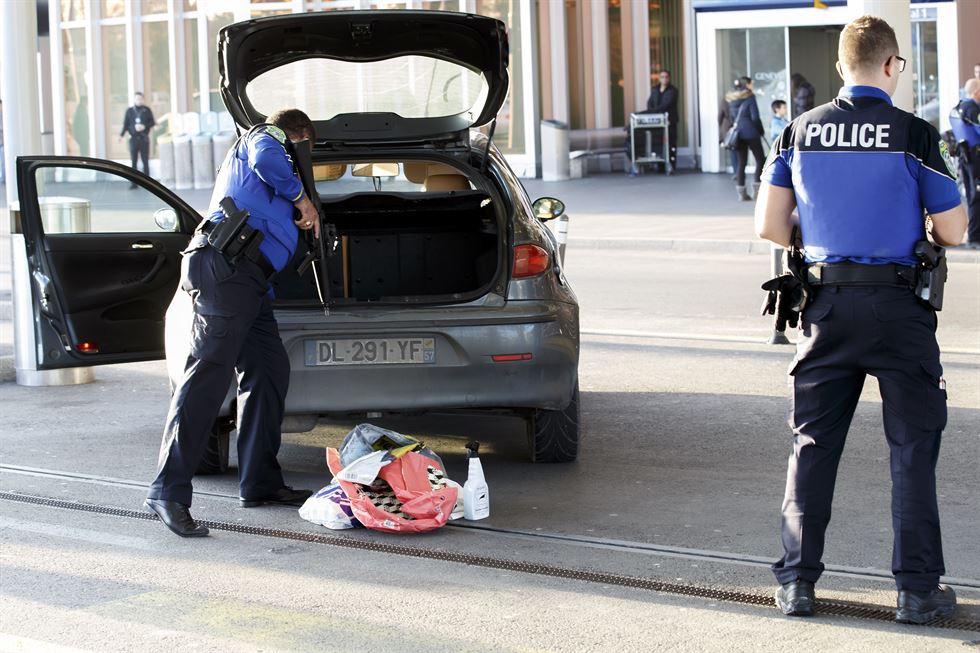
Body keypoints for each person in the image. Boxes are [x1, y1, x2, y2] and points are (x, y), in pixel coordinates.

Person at [755, 15, 966, 624]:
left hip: (824, 308)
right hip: (899, 309)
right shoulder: (916, 134)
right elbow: (954, 229)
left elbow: (770, 226)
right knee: (912, 448)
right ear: (891, 66)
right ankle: (917, 592)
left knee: (812, 447)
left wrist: (822, 229)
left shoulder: (797, 131)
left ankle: (796, 583)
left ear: (843, 66)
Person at [145, 108, 320, 537]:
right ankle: (166, 490)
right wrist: (303, 200)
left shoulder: (271, 156)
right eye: (309, 150)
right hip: (227, 271)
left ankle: (259, 482)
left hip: (249, 282)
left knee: (268, 369)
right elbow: (266, 159)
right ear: (299, 136)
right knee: (207, 374)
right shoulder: (266, 136)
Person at [726, 77, 766, 201]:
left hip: (738, 134)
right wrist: (761, 130)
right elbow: (755, 117)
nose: (752, 85)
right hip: (751, 133)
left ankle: (741, 193)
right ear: (746, 85)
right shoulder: (750, 97)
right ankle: (757, 191)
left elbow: (732, 118)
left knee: (741, 163)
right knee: (760, 159)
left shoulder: (732, 99)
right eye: (751, 83)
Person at [954, 78, 980, 247]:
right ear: (977, 92)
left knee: (972, 194)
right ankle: (975, 236)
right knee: (976, 196)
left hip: (966, 158)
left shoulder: (960, 106)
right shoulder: (973, 108)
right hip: (975, 158)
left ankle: (973, 235)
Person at [646, 69, 679, 169]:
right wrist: (652, 111)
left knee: (670, 143)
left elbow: (666, 104)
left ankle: (671, 166)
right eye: (662, 77)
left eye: (666, 77)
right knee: (659, 143)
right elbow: (650, 102)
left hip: (670, 121)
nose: (664, 79)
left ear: (669, 78)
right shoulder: (655, 89)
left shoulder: (673, 90)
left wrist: (654, 110)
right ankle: (660, 166)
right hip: (657, 121)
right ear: (659, 78)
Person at [119, 92, 155, 179]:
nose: (139, 101)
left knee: (145, 160)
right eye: (137, 99)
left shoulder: (147, 110)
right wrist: (121, 135)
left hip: (144, 139)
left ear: (143, 100)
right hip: (133, 139)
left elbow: (152, 122)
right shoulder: (130, 111)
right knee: (134, 161)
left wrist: (144, 126)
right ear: (134, 100)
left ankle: (148, 181)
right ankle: (134, 181)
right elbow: (126, 124)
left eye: (141, 99)